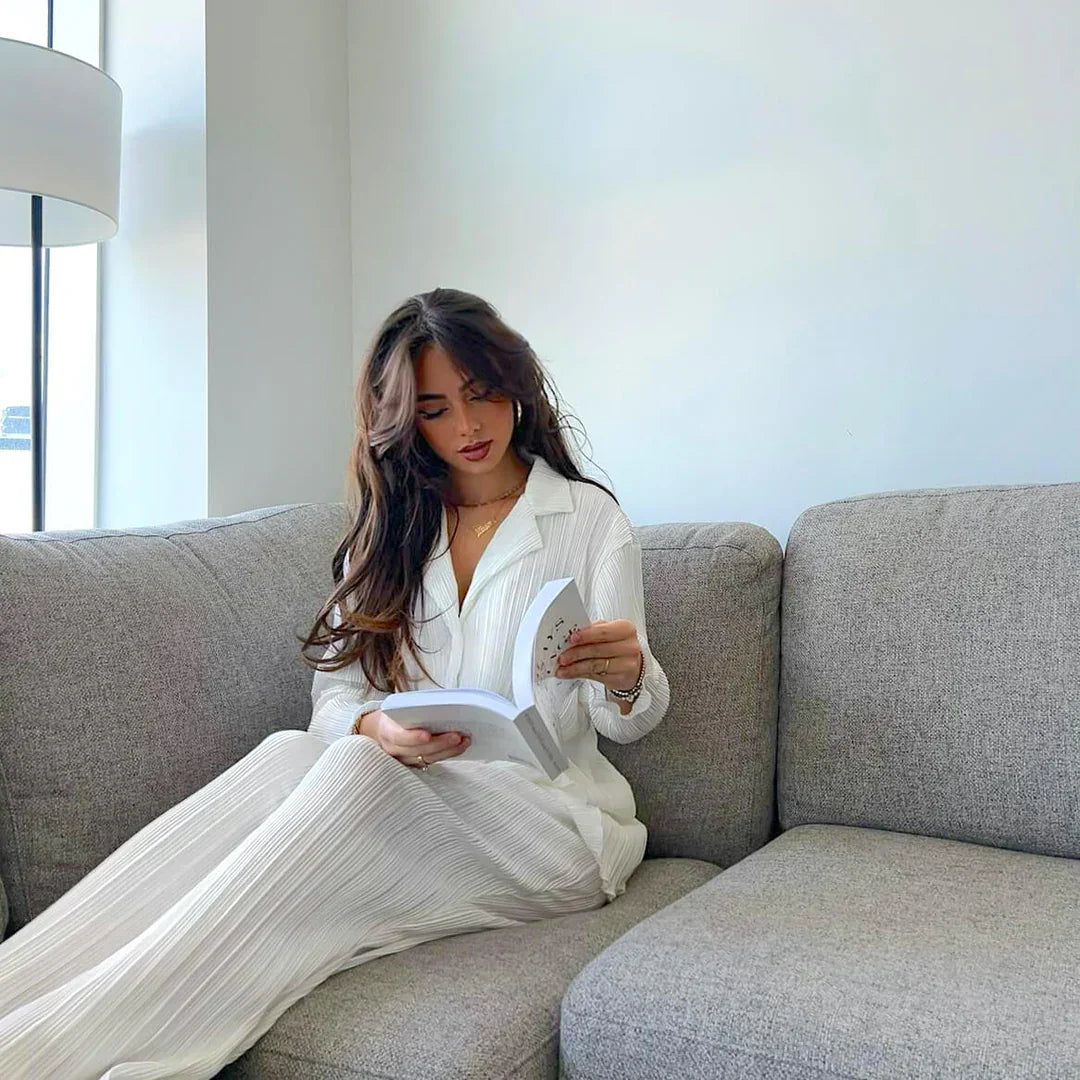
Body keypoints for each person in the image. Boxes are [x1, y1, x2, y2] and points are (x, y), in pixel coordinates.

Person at [0, 287, 671, 1078]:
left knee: (351, 770)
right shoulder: (392, 529)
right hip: (421, 797)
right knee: (289, 753)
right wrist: (373, 728)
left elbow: (625, 721)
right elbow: (338, 699)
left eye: (482, 394)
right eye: (435, 409)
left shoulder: (589, 520)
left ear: (513, 383)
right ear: (405, 421)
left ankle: (37, 1054)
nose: (468, 426)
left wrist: (627, 678)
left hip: (558, 825)